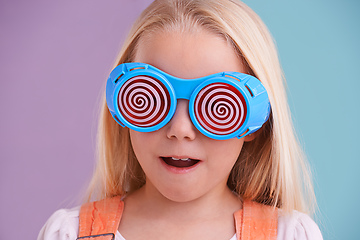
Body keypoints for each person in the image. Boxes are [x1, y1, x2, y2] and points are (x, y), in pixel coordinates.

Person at [38, 0, 323, 239]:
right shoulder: (68, 233)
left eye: (217, 103)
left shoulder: (290, 234)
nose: (179, 129)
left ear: (255, 123)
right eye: (153, 95)